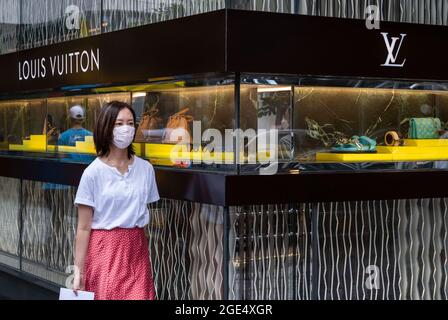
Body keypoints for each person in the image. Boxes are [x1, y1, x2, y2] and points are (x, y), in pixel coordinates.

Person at [73, 101, 160, 300]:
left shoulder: (146, 169)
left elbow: (146, 210)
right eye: (119, 123)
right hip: (104, 251)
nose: (126, 128)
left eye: (130, 123)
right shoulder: (92, 173)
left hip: (136, 249)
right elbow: (84, 227)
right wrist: (78, 272)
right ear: (106, 127)